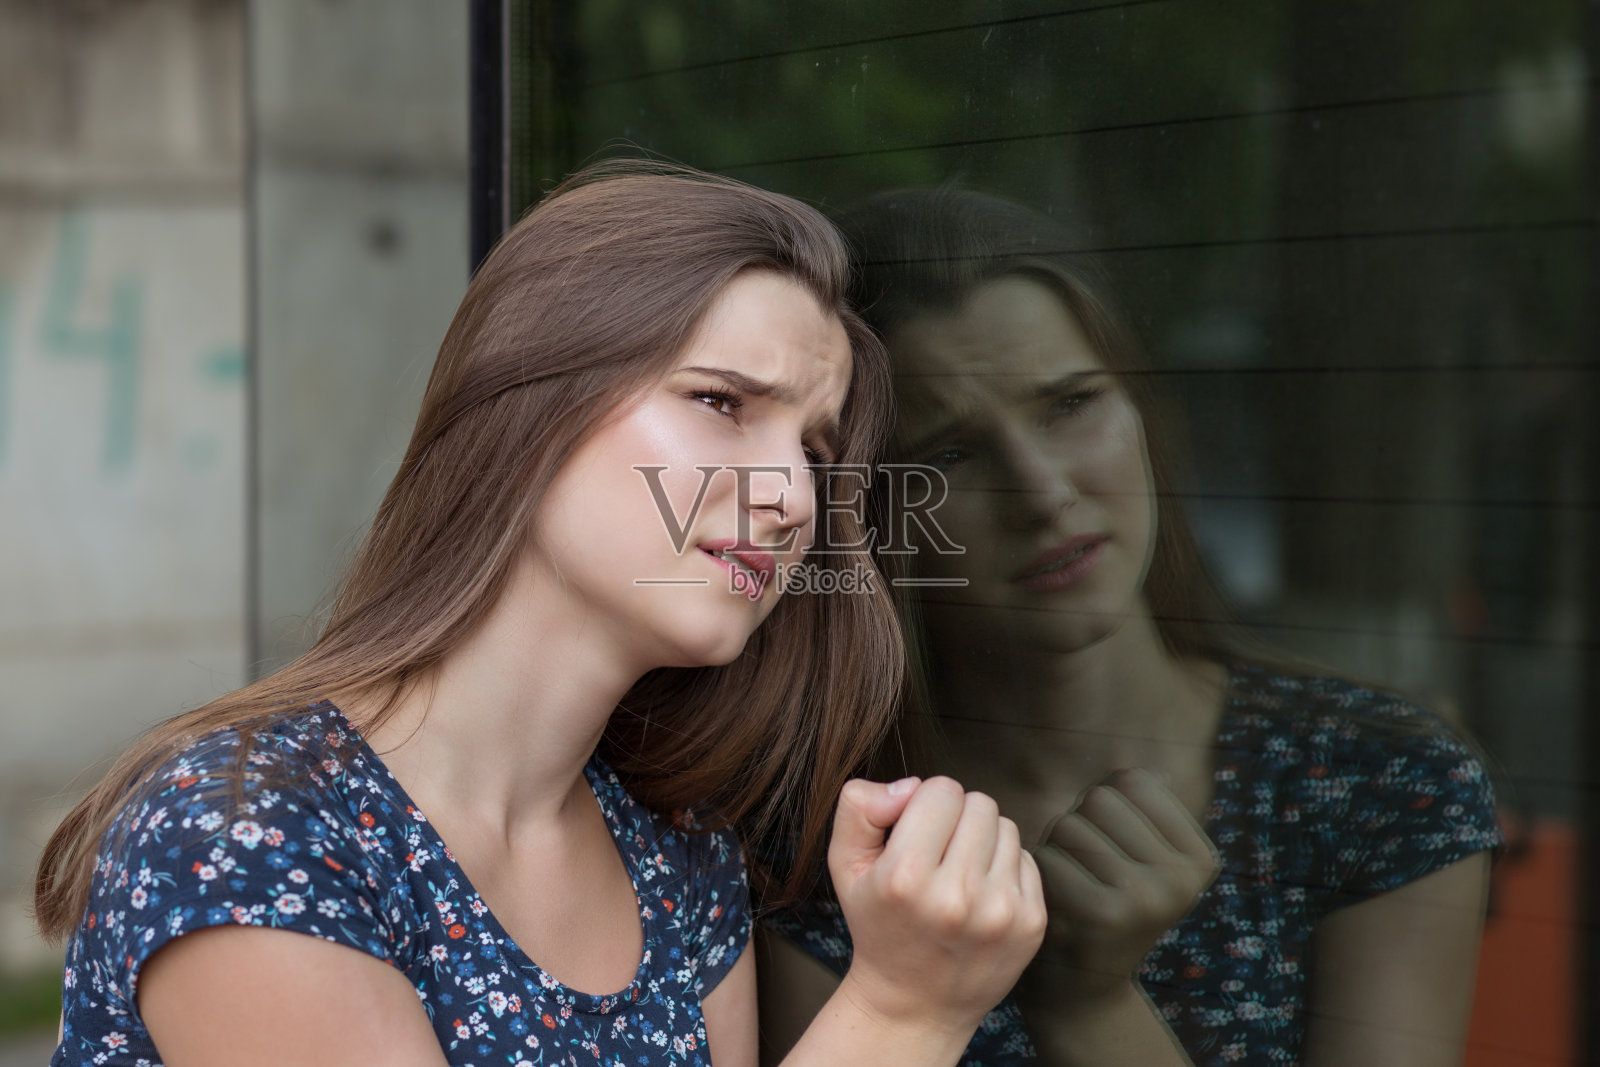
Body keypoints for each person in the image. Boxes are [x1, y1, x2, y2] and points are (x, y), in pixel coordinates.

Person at [34, 164, 1049, 1067]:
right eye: (721, 403)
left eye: (818, 454)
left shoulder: (675, 848)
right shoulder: (250, 829)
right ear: (530, 406)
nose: (791, 493)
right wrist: (903, 1009)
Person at [758, 187, 1502, 1067]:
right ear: (874, 511)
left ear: (1143, 414)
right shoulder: (819, 844)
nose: (1044, 491)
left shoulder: (1378, 779)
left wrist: (1087, 1004)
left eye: (1070, 404)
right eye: (952, 452)